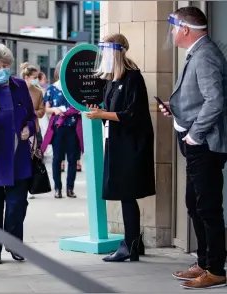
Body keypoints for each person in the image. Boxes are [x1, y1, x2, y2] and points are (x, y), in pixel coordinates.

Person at [160, 7, 227, 289]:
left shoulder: (204, 55)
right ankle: (204, 262)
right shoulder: (199, 51)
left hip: (206, 144)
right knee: (195, 205)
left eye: (173, 28)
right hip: (200, 142)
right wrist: (177, 110)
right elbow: (200, 98)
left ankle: (216, 271)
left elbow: (214, 101)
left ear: (184, 29)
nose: (171, 33)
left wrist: (194, 135)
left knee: (207, 207)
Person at [85, 33, 155, 262]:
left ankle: (131, 245)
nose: (103, 55)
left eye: (106, 50)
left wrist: (102, 114)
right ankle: (134, 241)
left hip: (131, 146)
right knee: (126, 194)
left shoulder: (133, 78)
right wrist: (100, 111)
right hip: (117, 144)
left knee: (127, 194)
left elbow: (133, 114)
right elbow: (112, 110)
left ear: (116, 51)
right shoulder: (111, 81)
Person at [0, 43, 37, 264]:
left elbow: (32, 117)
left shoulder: (20, 85)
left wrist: (28, 128)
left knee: (17, 205)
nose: (1, 70)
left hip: (17, 156)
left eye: (4, 65)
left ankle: (14, 245)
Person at [41, 60, 83, 199]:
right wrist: (55, 109)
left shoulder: (74, 89)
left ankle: (70, 188)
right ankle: (57, 188)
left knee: (72, 159)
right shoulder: (51, 89)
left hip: (72, 128)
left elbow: (80, 106)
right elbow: (46, 109)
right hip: (58, 128)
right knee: (57, 159)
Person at [20, 62, 45, 148]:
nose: (37, 79)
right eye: (34, 78)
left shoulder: (38, 92)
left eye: (37, 77)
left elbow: (42, 112)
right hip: (19, 128)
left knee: (36, 158)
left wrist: (31, 112)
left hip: (34, 128)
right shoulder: (17, 90)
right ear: (26, 77)